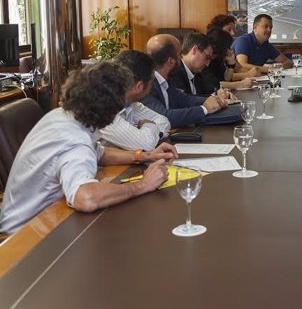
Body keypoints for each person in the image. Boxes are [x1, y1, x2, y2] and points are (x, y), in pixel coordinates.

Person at [0, 62, 176, 234]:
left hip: (43, 218)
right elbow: (86, 197)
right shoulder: (74, 142)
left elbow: (99, 152)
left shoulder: (63, 115)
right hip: (26, 235)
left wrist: (144, 156)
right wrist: (143, 185)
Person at [142, 34, 231, 127]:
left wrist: (215, 100)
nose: (182, 58)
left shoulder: (165, 79)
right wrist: (204, 109)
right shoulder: (146, 84)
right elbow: (163, 117)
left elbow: (184, 99)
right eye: (179, 55)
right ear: (171, 61)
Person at [98, 50, 171, 151]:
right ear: (139, 86)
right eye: (151, 81)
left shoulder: (130, 103)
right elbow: (147, 144)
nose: (152, 86)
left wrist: (151, 133)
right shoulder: (104, 109)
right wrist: (148, 124)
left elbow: (164, 121)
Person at [202, 27, 256, 91]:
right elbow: (214, 85)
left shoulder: (217, 58)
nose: (228, 49)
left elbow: (226, 79)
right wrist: (241, 84)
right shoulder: (204, 61)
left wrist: (231, 65)